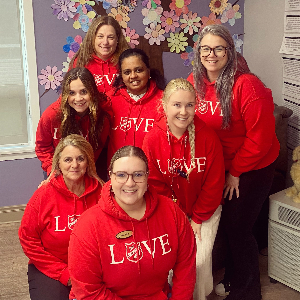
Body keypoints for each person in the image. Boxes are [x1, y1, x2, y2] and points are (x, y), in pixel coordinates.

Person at [187, 24, 280, 300]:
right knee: (224, 223)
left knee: (238, 228)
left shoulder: (247, 85)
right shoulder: (196, 81)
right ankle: (231, 278)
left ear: (229, 51)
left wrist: (235, 172)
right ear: (198, 51)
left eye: (218, 48)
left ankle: (248, 288)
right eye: (205, 48)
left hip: (253, 165)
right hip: (220, 166)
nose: (211, 54)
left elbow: (261, 139)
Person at [68, 145, 196, 300]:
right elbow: (88, 290)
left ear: (147, 176)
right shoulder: (89, 225)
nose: (130, 183)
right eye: (121, 175)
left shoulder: (171, 212)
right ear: (111, 176)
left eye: (138, 175)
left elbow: (185, 268)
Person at [142, 78, 225, 300]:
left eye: (189, 105)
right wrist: (176, 216)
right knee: (169, 259)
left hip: (204, 211)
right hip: (169, 212)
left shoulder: (208, 137)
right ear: (164, 105)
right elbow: (153, 184)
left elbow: (214, 183)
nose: (183, 111)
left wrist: (197, 218)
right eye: (177, 105)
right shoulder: (152, 139)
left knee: (197, 262)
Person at [19, 134, 103, 300]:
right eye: (68, 160)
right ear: (58, 163)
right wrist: (63, 273)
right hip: (51, 267)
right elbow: (28, 238)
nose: (75, 165)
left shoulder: (102, 193)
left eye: (80, 158)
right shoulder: (43, 195)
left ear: (88, 162)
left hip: (93, 267)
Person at [35, 67, 111, 178]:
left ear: (92, 92)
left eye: (84, 92)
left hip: (87, 167)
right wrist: (53, 169)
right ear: (65, 94)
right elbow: (42, 147)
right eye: (72, 93)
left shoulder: (102, 117)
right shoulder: (51, 115)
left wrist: (84, 168)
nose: (78, 98)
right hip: (57, 169)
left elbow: (98, 147)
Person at [107, 48, 165, 164]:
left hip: (149, 174)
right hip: (117, 174)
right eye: (127, 72)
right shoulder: (109, 99)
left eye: (138, 70)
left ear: (148, 72)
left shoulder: (164, 101)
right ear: (122, 76)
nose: (133, 76)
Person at [69, 15, 129, 93]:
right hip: (91, 105)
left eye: (110, 37)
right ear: (92, 38)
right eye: (100, 36)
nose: (105, 42)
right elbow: (67, 94)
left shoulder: (127, 61)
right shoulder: (80, 62)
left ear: (117, 39)